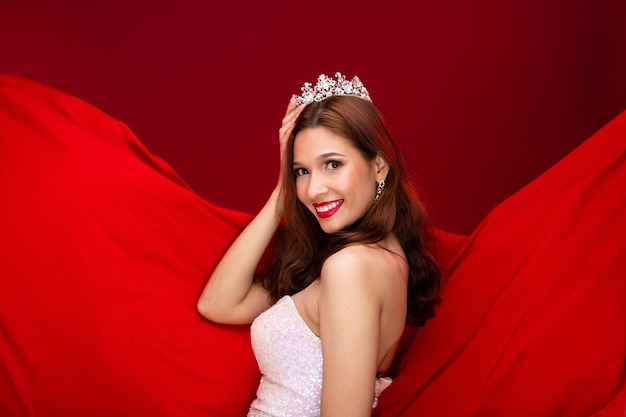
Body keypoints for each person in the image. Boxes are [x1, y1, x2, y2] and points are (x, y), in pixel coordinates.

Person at [197, 72, 442, 416]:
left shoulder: (350, 267)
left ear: (380, 166)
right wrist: (282, 193)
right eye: (301, 171)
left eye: (332, 164)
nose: (313, 191)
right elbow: (219, 303)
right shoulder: (368, 256)